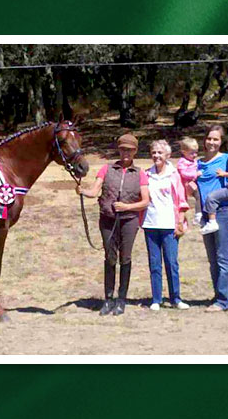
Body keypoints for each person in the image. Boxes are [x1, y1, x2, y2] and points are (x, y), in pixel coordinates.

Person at [76, 133, 150, 316]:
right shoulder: (106, 169)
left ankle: (121, 299)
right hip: (107, 219)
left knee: (125, 258)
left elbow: (145, 201)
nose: (126, 153)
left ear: (135, 151)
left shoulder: (140, 174)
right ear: (119, 150)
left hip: (129, 221)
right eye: (123, 149)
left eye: (130, 150)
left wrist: (127, 207)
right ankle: (108, 298)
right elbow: (95, 191)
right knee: (110, 258)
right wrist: (82, 191)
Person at [196, 125, 228, 312]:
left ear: (221, 141)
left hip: (225, 212)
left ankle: (223, 301)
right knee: (212, 259)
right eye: (209, 138)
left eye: (216, 139)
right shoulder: (198, 163)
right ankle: (218, 295)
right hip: (207, 215)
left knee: (222, 257)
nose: (211, 142)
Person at [142, 140, 190, 311]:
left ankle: (175, 298)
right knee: (154, 263)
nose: (156, 156)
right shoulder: (146, 174)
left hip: (170, 224)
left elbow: (182, 201)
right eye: (154, 152)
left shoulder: (174, 174)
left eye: (160, 153)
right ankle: (156, 299)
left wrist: (180, 222)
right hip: (150, 224)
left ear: (168, 155)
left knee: (171, 262)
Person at [177, 137, 203, 225]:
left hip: (193, 182)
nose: (195, 155)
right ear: (184, 152)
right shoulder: (182, 162)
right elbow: (183, 173)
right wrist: (195, 174)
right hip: (185, 184)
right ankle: (181, 218)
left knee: (199, 196)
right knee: (183, 201)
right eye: (192, 153)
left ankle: (198, 213)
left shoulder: (194, 161)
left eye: (196, 152)